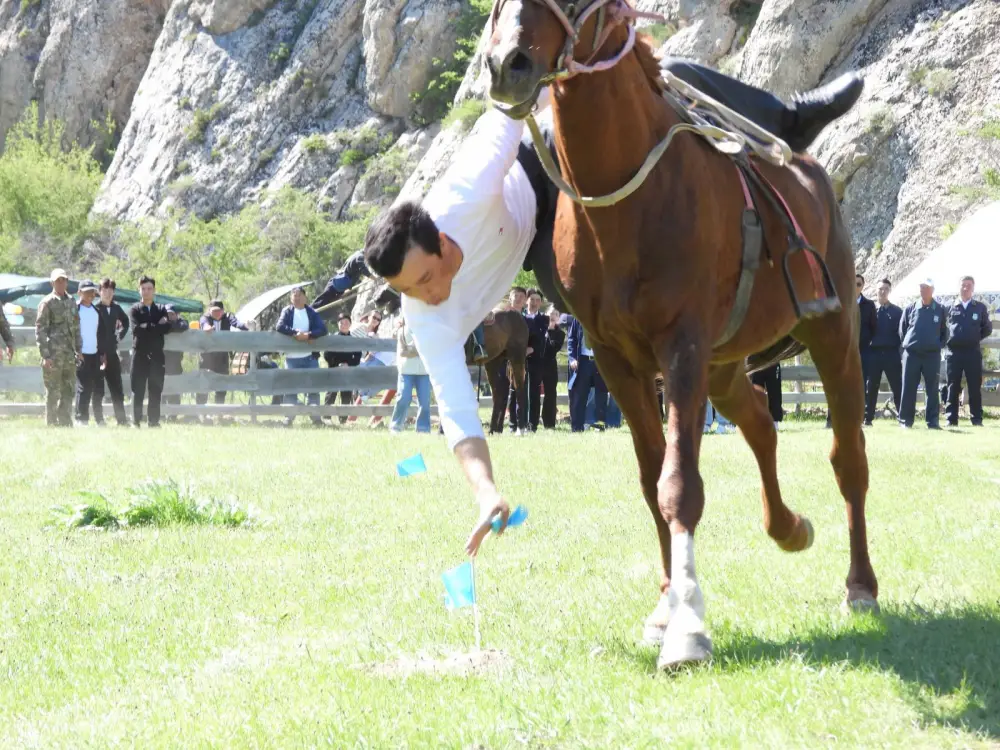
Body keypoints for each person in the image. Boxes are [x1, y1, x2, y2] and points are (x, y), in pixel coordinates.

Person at [363, 64, 865, 556]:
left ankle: (791, 117)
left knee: (664, 73)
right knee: (584, 299)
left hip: (543, 171)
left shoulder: (470, 184)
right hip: (540, 242)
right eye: (409, 290)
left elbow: (517, 102)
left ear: (442, 241)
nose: (427, 296)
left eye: (425, 279)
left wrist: (586, 76)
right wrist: (485, 491)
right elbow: (456, 411)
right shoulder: (424, 315)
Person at [898, 278, 948, 429]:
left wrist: (937, 345)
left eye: (926, 287)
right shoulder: (911, 308)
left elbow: (945, 332)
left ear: (932, 290)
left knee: (932, 389)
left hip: (931, 355)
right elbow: (902, 329)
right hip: (911, 354)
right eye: (921, 287)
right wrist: (910, 344)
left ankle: (933, 422)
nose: (922, 289)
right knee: (908, 388)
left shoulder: (940, 309)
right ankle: (905, 421)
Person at [944, 275, 993, 427]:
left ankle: (976, 419)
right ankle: (951, 419)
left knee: (974, 386)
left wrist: (974, 337)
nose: (965, 288)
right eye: (963, 285)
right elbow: (941, 328)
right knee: (952, 386)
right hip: (954, 353)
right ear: (958, 287)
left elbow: (987, 328)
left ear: (973, 288)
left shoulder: (980, 307)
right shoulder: (949, 307)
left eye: (969, 285)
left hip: (972, 352)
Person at [275, 286, 328, 426]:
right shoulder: (287, 311)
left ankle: (316, 418)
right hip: (292, 358)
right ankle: (289, 418)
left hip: (310, 358)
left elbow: (323, 329)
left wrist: (309, 335)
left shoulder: (311, 312)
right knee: (290, 389)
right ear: (291, 298)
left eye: (299, 295)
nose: (297, 298)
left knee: (313, 389)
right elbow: (280, 326)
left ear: (305, 297)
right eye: (294, 296)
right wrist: (295, 333)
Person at [35, 268, 81, 427]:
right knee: (53, 391)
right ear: (52, 283)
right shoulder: (47, 303)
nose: (61, 283)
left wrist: (79, 350)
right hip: (53, 355)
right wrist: (45, 356)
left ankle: (65, 422)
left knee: (69, 390)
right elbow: (40, 330)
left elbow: (76, 327)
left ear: (67, 282)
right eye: (57, 281)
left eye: (63, 280)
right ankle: (52, 423)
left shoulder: (72, 301)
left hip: (69, 354)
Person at [130, 276, 173, 428]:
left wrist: (147, 325)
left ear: (154, 290)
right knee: (138, 389)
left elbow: (166, 327)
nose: (146, 292)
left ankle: (153, 421)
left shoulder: (160, 309)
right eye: (143, 289)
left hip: (156, 355)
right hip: (140, 354)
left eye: (149, 289)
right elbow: (136, 330)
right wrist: (155, 326)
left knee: (155, 389)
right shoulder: (135, 309)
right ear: (139, 290)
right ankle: (135, 421)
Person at [865, 278, 902, 424]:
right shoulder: (870, 310)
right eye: (880, 289)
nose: (883, 291)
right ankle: (868, 418)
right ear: (876, 291)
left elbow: (902, 333)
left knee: (897, 386)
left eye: (886, 289)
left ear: (890, 291)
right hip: (873, 353)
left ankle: (902, 418)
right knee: (871, 387)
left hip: (891, 353)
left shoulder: (897, 312)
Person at [197, 300, 248, 406]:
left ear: (223, 311)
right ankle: (200, 410)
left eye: (219, 311)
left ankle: (219, 410)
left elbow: (237, 323)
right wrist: (207, 328)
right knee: (203, 384)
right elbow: (204, 324)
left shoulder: (228, 317)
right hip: (207, 358)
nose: (216, 313)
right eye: (214, 311)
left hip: (222, 358)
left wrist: (247, 326)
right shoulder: (205, 317)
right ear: (209, 310)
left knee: (222, 385)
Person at [95, 278, 130, 425]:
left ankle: (121, 420)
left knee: (117, 388)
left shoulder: (116, 308)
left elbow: (126, 321)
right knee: (98, 389)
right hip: (98, 354)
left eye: (110, 290)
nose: (108, 293)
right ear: (99, 291)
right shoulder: (95, 308)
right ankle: (99, 419)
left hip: (112, 353)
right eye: (105, 290)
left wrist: (120, 334)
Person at [566, 314, 608, 432]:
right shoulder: (578, 317)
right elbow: (571, 339)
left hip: (600, 361)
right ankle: (577, 427)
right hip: (583, 361)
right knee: (579, 395)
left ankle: (600, 425)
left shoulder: (604, 316)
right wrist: (572, 358)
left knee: (601, 395)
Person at [391, 317, 432, 433]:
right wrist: (419, 350)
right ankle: (396, 426)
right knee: (403, 398)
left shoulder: (429, 329)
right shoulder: (402, 329)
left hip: (424, 371)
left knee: (424, 402)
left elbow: (430, 348)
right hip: (406, 370)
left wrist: (413, 350)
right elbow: (403, 352)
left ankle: (423, 429)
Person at [74, 280, 106, 425]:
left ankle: (99, 419)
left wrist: (102, 354)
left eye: (92, 292)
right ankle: (81, 418)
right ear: (79, 293)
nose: (90, 295)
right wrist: (76, 351)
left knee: (97, 387)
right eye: (86, 292)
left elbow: (101, 333)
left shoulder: (96, 311)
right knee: (84, 387)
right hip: (81, 353)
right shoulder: (75, 310)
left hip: (95, 353)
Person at [324, 312, 362, 423]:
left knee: (346, 395)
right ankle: (326, 418)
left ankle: (343, 419)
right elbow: (327, 355)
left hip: (348, 371)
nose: (344, 325)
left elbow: (357, 357)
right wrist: (337, 365)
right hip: (334, 370)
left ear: (350, 324)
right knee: (331, 394)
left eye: (346, 323)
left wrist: (348, 365)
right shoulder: (333, 339)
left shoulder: (354, 340)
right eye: (341, 323)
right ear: (338, 324)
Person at [540, 307, 565, 429]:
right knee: (532, 392)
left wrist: (549, 330)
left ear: (558, 318)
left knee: (550, 393)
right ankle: (531, 421)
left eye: (555, 314)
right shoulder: (539, 328)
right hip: (536, 363)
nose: (552, 316)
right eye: (550, 313)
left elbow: (553, 348)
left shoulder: (560, 334)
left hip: (550, 365)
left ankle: (549, 422)